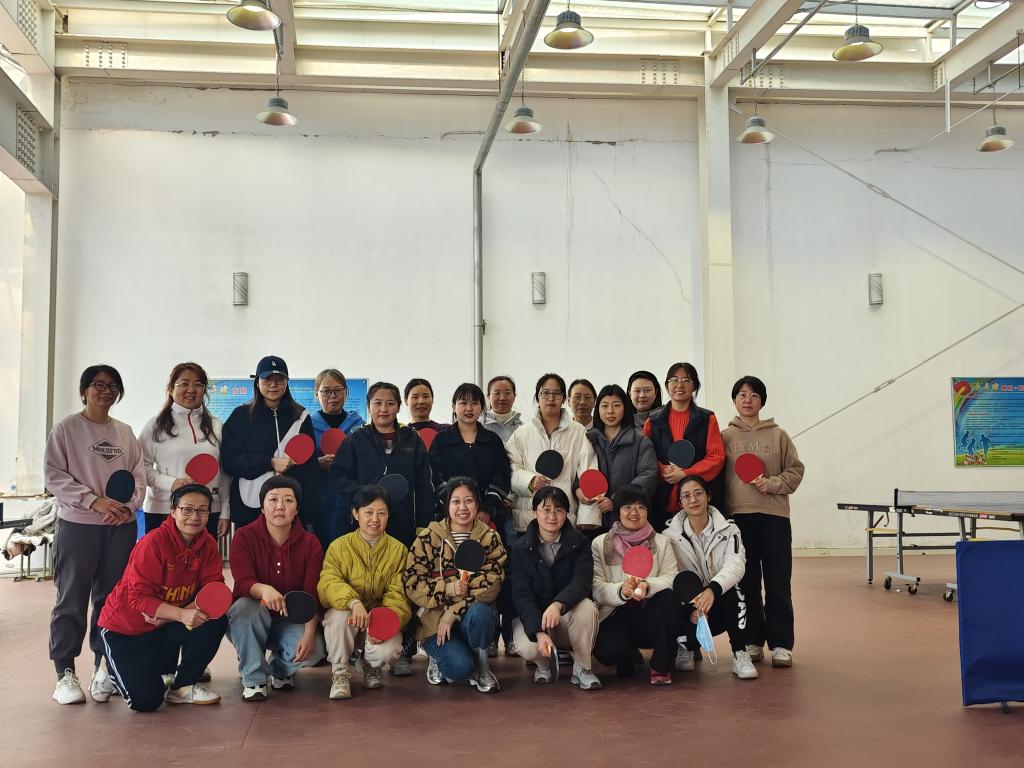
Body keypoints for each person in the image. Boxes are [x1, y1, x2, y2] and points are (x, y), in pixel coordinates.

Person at [46, 364, 146, 705]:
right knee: (71, 599)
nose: (106, 391)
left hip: (119, 528)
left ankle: (103, 667)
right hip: (78, 526)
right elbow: (53, 475)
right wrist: (94, 501)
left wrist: (128, 508)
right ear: (84, 390)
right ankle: (64, 673)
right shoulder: (66, 429)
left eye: (112, 385)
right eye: (98, 384)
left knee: (111, 599)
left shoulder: (125, 432)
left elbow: (138, 477)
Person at [97, 484, 227, 711]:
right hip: (125, 631)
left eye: (202, 510)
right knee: (146, 702)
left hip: (162, 626)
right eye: (187, 509)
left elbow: (213, 590)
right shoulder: (152, 543)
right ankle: (109, 670)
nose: (194, 517)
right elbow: (138, 599)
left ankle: (182, 687)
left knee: (216, 619)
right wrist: (180, 614)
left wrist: (177, 614)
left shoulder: (207, 544)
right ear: (173, 511)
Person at [721, 375, 805, 668]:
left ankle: (781, 644)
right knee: (746, 582)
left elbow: (795, 471)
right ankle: (752, 640)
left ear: (762, 401)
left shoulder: (779, 435)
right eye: (742, 395)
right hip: (738, 518)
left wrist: (773, 484)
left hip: (775, 517)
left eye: (754, 395)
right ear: (735, 400)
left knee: (778, 581)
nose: (748, 400)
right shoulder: (725, 437)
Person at [403, 477, 506, 693]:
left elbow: (492, 583)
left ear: (477, 504)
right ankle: (439, 656)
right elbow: (413, 584)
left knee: (482, 613)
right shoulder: (427, 538)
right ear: (447, 505)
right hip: (434, 621)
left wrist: (453, 613)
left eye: (468, 500)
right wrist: (449, 589)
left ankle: (482, 666)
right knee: (459, 668)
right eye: (456, 501)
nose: (462, 508)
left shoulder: (490, 538)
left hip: (468, 616)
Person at [227, 475, 325, 701]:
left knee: (316, 651)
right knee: (245, 607)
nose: (280, 506)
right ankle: (254, 679)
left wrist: (309, 634)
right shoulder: (243, 536)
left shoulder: (311, 543)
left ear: (296, 509)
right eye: (273, 500)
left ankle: (278, 670)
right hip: (251, 618)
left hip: (290, 620)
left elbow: (311, 594)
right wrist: (263, 589)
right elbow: (242, 582)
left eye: (288, 500)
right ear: (262, 507)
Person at [318, 485, 412, 700]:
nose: (375, 519)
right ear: (355, 513)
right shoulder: (338, 547)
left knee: (389, 649)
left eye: (382, 513)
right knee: (338, 616)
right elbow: (328, 583)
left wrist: (382, 624)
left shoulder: (399, 551)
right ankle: (340, 673)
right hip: (350, 617)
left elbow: (399, 595)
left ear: (388, 515)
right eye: (368, 512)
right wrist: (354, 602)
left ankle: (371, 665)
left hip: (376, 620)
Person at [221, 356, 324, 544]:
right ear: (257, 382)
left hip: (289, 509)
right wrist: (270, 462)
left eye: (279, 379)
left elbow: (309, 469)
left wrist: (309, 513)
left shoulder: (301, 416)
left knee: (289, 558)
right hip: (249, 506)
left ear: (287, 382)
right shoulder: (240, 416)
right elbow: (230, 461)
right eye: (267, 379)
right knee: (251, 556)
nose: (273, 384)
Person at [664, 475, 757, 680]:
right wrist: (692, 603)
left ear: (708, 496)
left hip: (718, 603)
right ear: (680, 503)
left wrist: (713, 590)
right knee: (672, 594)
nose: (693, 499)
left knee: (735, 590)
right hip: (690, 607)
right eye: (686, 496)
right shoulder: (669, 536)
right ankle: (686, 647)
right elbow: (670, 574)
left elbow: (736, 564)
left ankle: (740, 653)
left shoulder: (730, 529)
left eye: (698, 493)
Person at [509, 487, 601, 690]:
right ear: (534, 512)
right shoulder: (519, 548)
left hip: (566, 614)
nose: (552, 516)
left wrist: (559, 604)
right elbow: (521, 594)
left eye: (559, 510)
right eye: (546, 509)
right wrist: (538, 632)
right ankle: (544, 666)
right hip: (536, 616)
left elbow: (582, 580)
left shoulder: (579, 542)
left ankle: (583, 667)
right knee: (528, 647)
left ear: (566, 514)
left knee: (587, 608)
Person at [592, 485, 681, 685]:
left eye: (641, 507)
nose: (634, 512)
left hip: (649, 610)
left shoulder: (662, 542)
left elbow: (671, 577)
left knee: (670, 599)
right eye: (627, 507)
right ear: (618, 512)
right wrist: (620, 590)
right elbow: (596, 586)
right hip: (616, 613)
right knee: (608, 651)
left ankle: (660, 665)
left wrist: (647, 585)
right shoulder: (600, 543)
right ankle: (626, 656)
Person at [329, 381, 433, 548]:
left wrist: (423, 523)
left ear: (398, 407)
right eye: (377, 403)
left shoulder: (412, 439)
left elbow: (424, 486)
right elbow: (338, 477)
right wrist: (365, 494)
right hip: (366, 523)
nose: (383, 409)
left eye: (390, 403)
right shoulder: (355, 440)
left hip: (403, 523)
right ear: (368, 406)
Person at [138, 362, 229, 539]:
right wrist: (171, 483)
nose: (191, 389)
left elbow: (224, 472)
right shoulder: (155, 425)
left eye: (198, 384)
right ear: (171, 389)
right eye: (184, 384)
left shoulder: (216, 425)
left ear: (204, 390)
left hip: (206, 511)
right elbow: (140, 467)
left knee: (203, 557)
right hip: (163, 510)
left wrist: (224, 511)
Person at [507, 373, 597, 536]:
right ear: (537, 397)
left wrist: (588, 517)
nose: (551, 398)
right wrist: (529, 481)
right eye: (545, 393)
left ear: (564, 398)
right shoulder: (521, 434)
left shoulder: (578, 432)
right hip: (529, 520)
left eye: (556, 393)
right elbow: (510, 468)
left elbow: (588, 471)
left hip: (565, 519)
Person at [643, 363, 725, 532]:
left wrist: (686, 474)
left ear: (694, 386)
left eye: (686, 380)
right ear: (667, 386)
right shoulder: (653, 421)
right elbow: (645, 456)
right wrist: (664, 471)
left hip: (697, 503)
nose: (679, 384)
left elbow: (716, 457)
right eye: (674, 380)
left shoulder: (707, 419)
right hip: (661, 500)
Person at [428, 383, 511, 529]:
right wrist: (456, 506)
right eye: (463, 403)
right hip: (450, 516)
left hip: (487, 518)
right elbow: (434, 476)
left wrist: (487, 509)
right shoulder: (441, 440)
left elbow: (502, 476)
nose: (469, 408)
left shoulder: (493, 440)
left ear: (482, 407)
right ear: (454, 407)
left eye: (474, 403)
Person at [583, 384, 658, 534]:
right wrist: (578, 490)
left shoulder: (641, 442)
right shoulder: (588, 440)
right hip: (591, 521)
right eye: (604, 406)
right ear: (597, 410)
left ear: (625, 408)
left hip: (628, 522)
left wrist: (616, 501)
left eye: (616, 405)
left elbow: (648, 476)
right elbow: (577, 471)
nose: (610, 411)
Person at [311, 368, 364, 542]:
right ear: (316, 394)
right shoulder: (306, 426)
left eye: (338, 390)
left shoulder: (359, 427)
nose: (332, 396)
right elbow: (296, 463)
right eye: (326, 391)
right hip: (319, 499)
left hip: (351, 499)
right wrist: (317, 463)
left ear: (346, 393)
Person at [481, 375, 522, 445]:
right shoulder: (479, 426)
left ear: (514, 397)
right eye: (497, 393)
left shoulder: (522, 428)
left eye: (507, 393)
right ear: (488, 397)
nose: (502, 398)